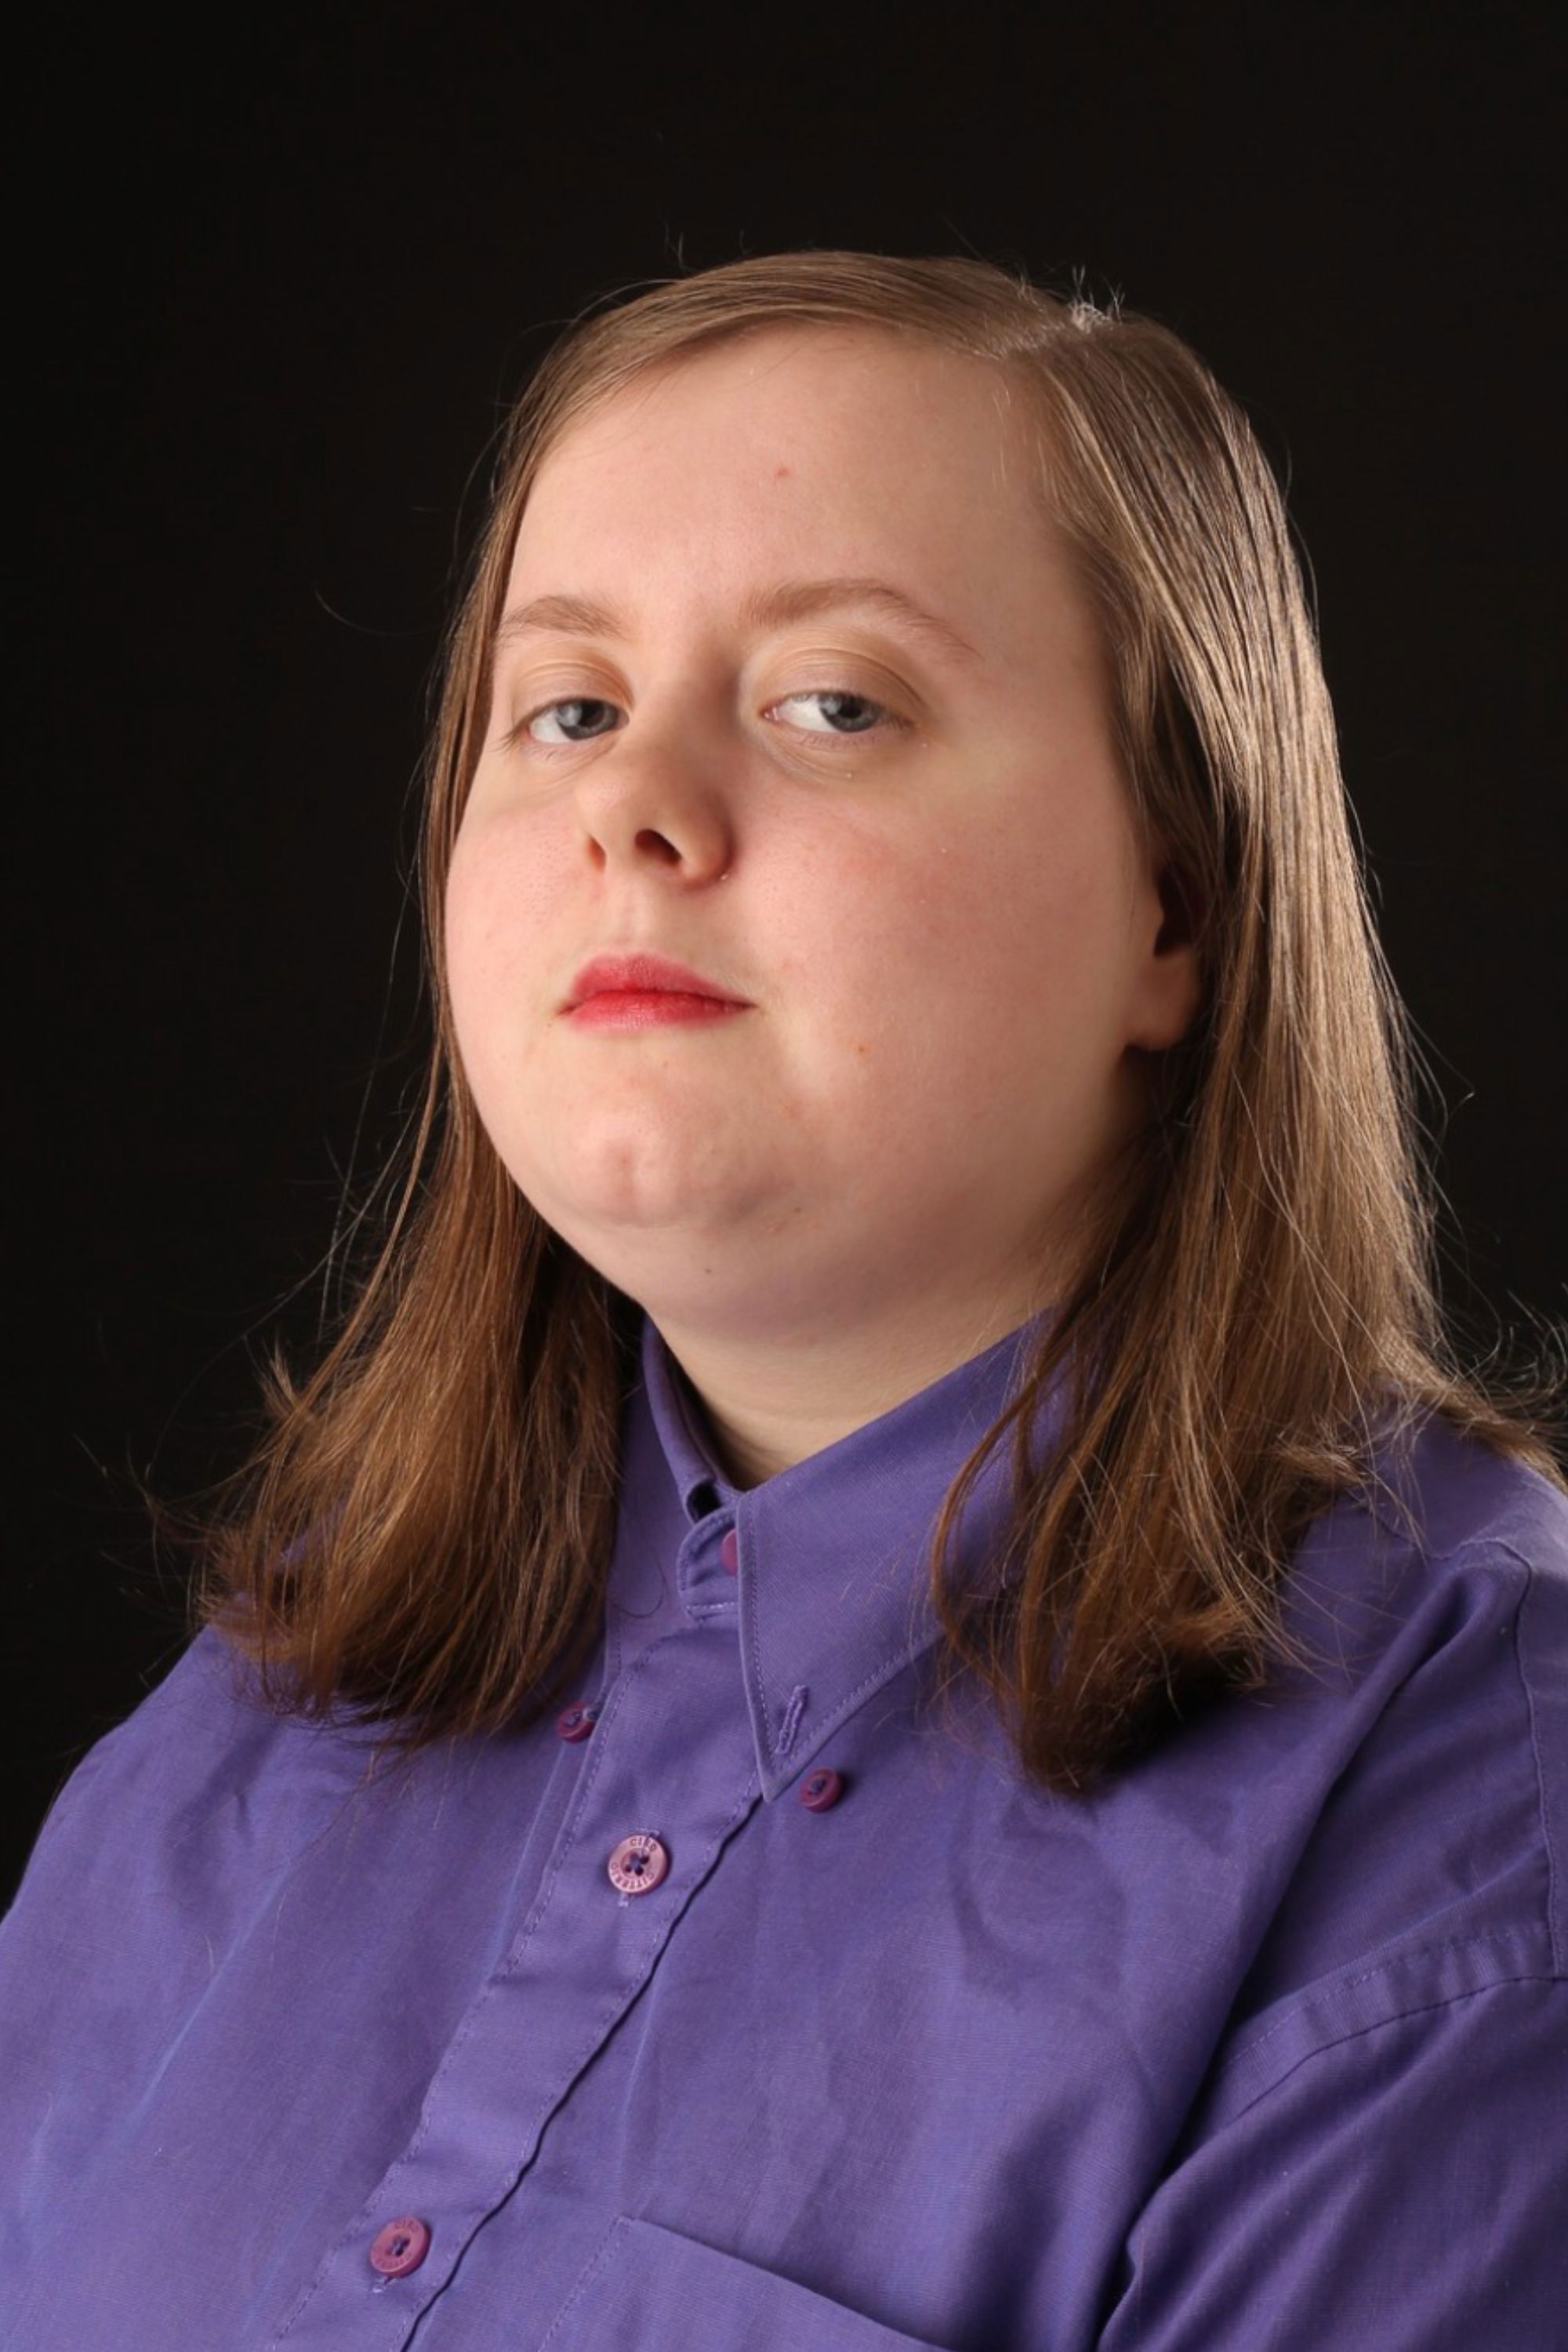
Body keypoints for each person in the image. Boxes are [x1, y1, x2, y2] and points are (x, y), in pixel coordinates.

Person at [2, 249, 1563, 2352]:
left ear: (1175, 908)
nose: (632, 808)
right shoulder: (264, 1705)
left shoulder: (1475, 1783)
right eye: (568, 709)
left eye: (835, 703)